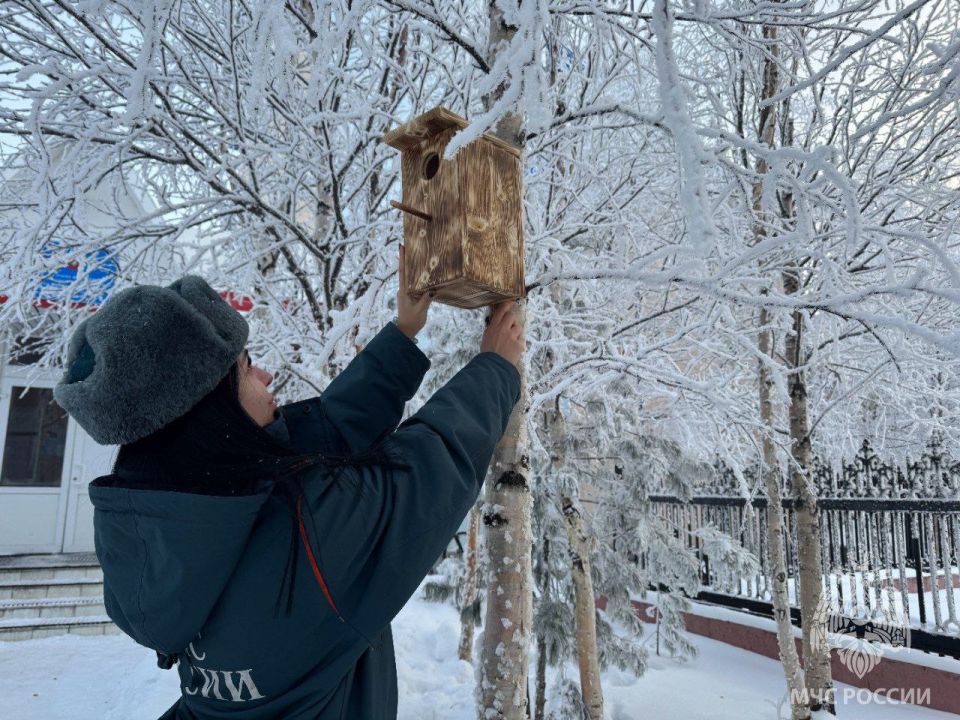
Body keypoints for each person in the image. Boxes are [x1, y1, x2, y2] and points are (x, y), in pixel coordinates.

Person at [52, 249, 524, 719]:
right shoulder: (310, 539)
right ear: (211, 413)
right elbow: (426, 472)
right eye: (245, 366)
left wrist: (401, 336)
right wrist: (494, 369)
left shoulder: (169, 521)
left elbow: (315, 437)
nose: (265, 374)